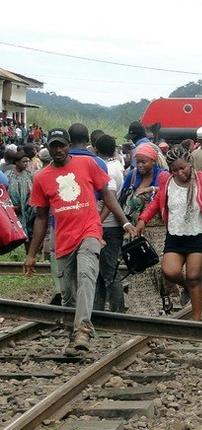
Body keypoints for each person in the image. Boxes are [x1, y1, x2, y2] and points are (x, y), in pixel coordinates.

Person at [24, 129, 136, 355]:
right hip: (64, 238)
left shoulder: (87, 165)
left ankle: (83, 329)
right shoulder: (42, 178)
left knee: (87, 277)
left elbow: (107, 195)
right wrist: (31, 253)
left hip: (89, 231)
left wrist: (125, 222)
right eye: (53, 146)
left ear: (68, 145)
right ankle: (73, 336)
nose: (58, 150)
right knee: (67, 294)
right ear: (48, 146)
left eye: (61, 145)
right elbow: (42, 217)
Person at [135, 146, 202, 321]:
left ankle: (196, 319)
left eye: (182, 168)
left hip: (200, 233)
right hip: (176, 234)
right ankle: (190, 288)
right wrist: (143, 219)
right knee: (169, 271)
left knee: (194, 275)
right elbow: (157, 202)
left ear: (190, 164)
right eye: (174, 169)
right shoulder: (166, 180)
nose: (179, 173)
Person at [94, 134, 127, 313]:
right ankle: (98, 310)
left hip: (107, 225)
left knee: (109, 272)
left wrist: (97, 222)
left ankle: (118, 311)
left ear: (96, 149)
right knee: (102, 272)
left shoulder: (105, 168)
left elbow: (109, 198)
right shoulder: (117, 166)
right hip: (111, 224)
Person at [119, 144, 166, 225]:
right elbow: (122, 195)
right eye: (138, 162)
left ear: (153, 161)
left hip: (156, 227)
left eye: (143, 162)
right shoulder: (132, 175)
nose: (140, 165)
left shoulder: (162, 176)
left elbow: (168, 191)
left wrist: (151, 189)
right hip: (133, 225)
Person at [6, 151, 35, 246]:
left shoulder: (29, 175)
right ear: (17, 162)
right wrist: (11, 207)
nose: (26, 164)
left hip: (28, 211)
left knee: (29, 233)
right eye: (24, 162)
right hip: (13, 211)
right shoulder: (8, 175)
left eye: (27, 161)